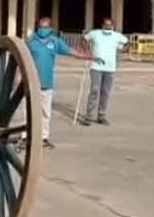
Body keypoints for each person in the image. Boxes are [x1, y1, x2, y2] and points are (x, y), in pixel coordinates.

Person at [25, 17, 103, 149]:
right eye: (40, 27)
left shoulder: (55, 42)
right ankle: (25, 136)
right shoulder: (31, 41)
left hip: (46, 83)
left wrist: (90, 57)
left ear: (50, 29)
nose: (42, 29)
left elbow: (72, 52)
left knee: (45, 112)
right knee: (28, 111)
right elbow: (22, 58)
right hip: (31, 82)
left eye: (45, 27)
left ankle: (43, 138)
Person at [80, 18, 129, 126]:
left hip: (110, 68)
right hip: (96, 67)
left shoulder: (117, 36)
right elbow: (83, 39)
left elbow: (127, 42)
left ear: (113, 26)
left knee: (105, 92)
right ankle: (89, 116)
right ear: (102, 25)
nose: (107, 27)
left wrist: (123, 49)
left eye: (109, 25)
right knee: (95, 90)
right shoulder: (95, 33)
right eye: (106, 25)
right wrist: (88, 51)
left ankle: (101, 116)